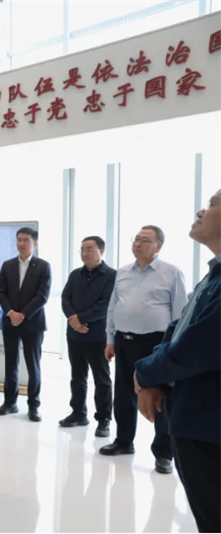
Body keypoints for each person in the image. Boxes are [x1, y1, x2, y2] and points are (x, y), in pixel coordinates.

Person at [134, 190, 221, 532]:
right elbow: (178, 327)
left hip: (209, 427)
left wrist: (144, 373)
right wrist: (153, 376)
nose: (201, 211)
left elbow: (199, 346)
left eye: (213, 204)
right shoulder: (213, 274)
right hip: (194, 420)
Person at [101, 225, 188, 474]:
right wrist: (110, 339)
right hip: (124, 341)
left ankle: (163, 453)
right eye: (136, 239)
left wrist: (172, 349)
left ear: (158, 246)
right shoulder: (123, 272)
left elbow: (180, 315)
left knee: (160, 396)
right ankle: (123, 441)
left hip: (156, 343)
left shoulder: (171, 273)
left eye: (145, 240)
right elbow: (113, 307)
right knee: (123, 393)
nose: (138, 244)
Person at [59, 236, 117, 437]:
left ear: (101, 251)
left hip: (98, 335)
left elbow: (106, 304)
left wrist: (81, 319)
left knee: (101, 379)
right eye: (82, 249)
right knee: (77, 376)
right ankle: (78, 413)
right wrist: (73, 320)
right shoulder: (75, 274)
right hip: (74, 334)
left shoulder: (111, 275)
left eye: (90, 249)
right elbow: (65, 298)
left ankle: (103, 419)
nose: (84, 253)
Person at [0, 227, 52, 422]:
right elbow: (1, 292)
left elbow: (42, 296)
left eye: (25, 240)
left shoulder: (43, 266)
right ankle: (10, 402)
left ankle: (34, 405)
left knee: (33, 365)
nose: (21, 243)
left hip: (33, 323)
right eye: (18, 239)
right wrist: (11, 313)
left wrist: (23, 314)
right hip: (10, 321)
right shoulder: (7, 265)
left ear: (34, 243)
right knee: (11, 363)